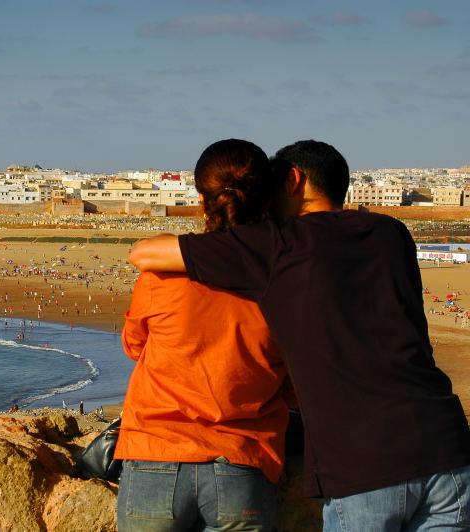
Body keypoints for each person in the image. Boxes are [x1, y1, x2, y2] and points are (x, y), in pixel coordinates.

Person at [129, 140, 470, 531]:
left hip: (366, 463)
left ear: (293, 180)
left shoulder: (279, 245)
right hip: (447, 446)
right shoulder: (392, 234)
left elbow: (146, 254)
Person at [115, 139, 292, 531]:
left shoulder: (160, 275)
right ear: (267, 198)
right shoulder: (284, 281)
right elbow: (292, 374)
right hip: (244, 458)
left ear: (200, 199)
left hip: (155, 452)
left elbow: (134, 346)